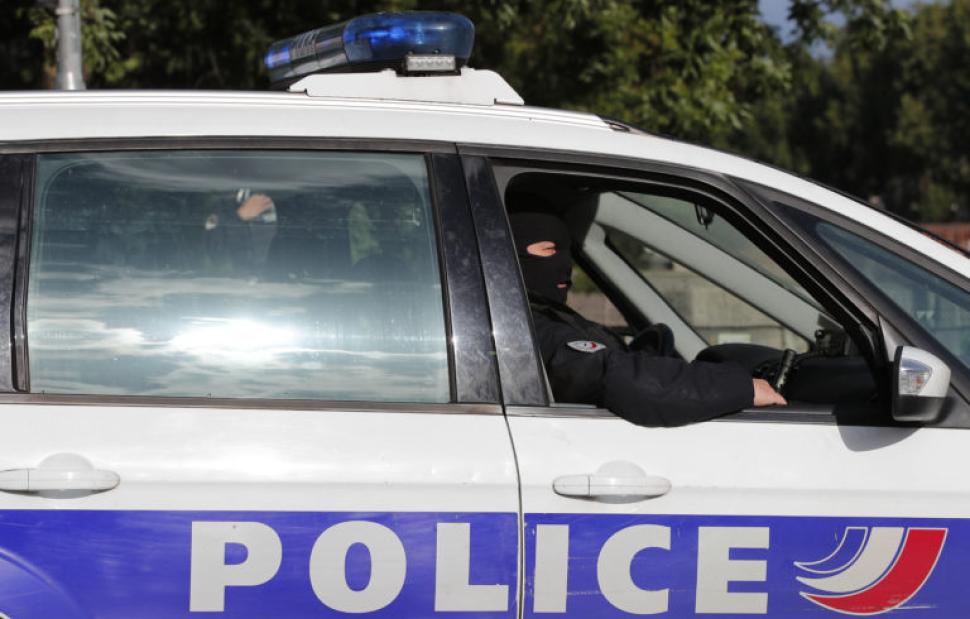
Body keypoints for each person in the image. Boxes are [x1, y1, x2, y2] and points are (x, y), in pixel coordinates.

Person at [510, 211, 787, 427]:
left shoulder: (544, 317)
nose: (564, 264)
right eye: (549, 250)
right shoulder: (526, 329)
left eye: (568, 252)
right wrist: (739, 387)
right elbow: (616, 377)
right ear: (513, 255)